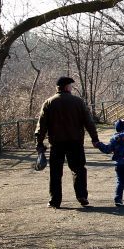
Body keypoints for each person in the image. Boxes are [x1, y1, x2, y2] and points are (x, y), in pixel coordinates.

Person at [35, 76, 104, 208]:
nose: (71, 88)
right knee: (79, 169)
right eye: (71, 86)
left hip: (56, 143)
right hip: (75, 142)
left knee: (55, 172)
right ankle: (82, 196)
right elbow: (88, 122)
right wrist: (94, 139)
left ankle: (55, 200)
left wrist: (39, 142)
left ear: (57, 88)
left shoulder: (49, 103)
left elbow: (41, 125)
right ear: (67, 87)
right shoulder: (78, 102)